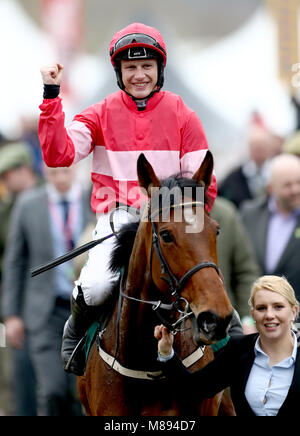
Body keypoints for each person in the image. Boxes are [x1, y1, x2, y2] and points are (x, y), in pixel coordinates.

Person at [38, 22, 217, 375]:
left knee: (208, 284)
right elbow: (58, 154)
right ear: (119, 72)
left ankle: (227, 346)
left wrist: (185, 224)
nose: (139, 75)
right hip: (119, 218)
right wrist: (50, 95)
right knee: (97, 284)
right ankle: (76, 330)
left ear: (159, 69)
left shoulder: (184, 114)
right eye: (131, 68)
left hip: (172, 221)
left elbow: (204, 185)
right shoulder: (99, 113)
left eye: (146, 66)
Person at [2, 165, 94, 415]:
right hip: (45, 311)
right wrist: (11, 315)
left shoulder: (93, 202)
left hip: (84, 310)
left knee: (79, 390)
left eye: (65, 172)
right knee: (51, 389)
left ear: (75, 170)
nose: (61, 179)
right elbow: (15, 261)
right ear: (45, 172)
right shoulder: (28, 206)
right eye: (54, 173)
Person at [155, 275, 300, 416]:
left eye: (278, 307)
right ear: (253, 314)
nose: (269, 315)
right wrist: (167, 353)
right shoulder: (238, 349)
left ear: (294, 312)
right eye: (261, 308)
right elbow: (192, 390)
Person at [0, 142, 38, 416]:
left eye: (6, 174)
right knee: (12, 373)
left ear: (24, 170)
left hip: (47, 300)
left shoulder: (51, 200)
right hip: (13, 302)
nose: (3, 181)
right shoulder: (5, 211)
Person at [240, 154, 300, 303]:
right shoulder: (249, 214)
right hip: (256, 316)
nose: (295, 190)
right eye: (287, 185)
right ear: (270, 188)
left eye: (299, 182)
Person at [210, 197, 260, 333]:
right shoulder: (158, 208)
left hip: (224, 327)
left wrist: (247, 319)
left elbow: (245, 272)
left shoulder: (225, 212)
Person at [218, 117, 280, 209]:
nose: (259, 151)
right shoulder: (236, 175)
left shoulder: (277, 173)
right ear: (250, 149)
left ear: (270, 148)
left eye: (263, 146)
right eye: (256, 147)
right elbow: (220, 193)